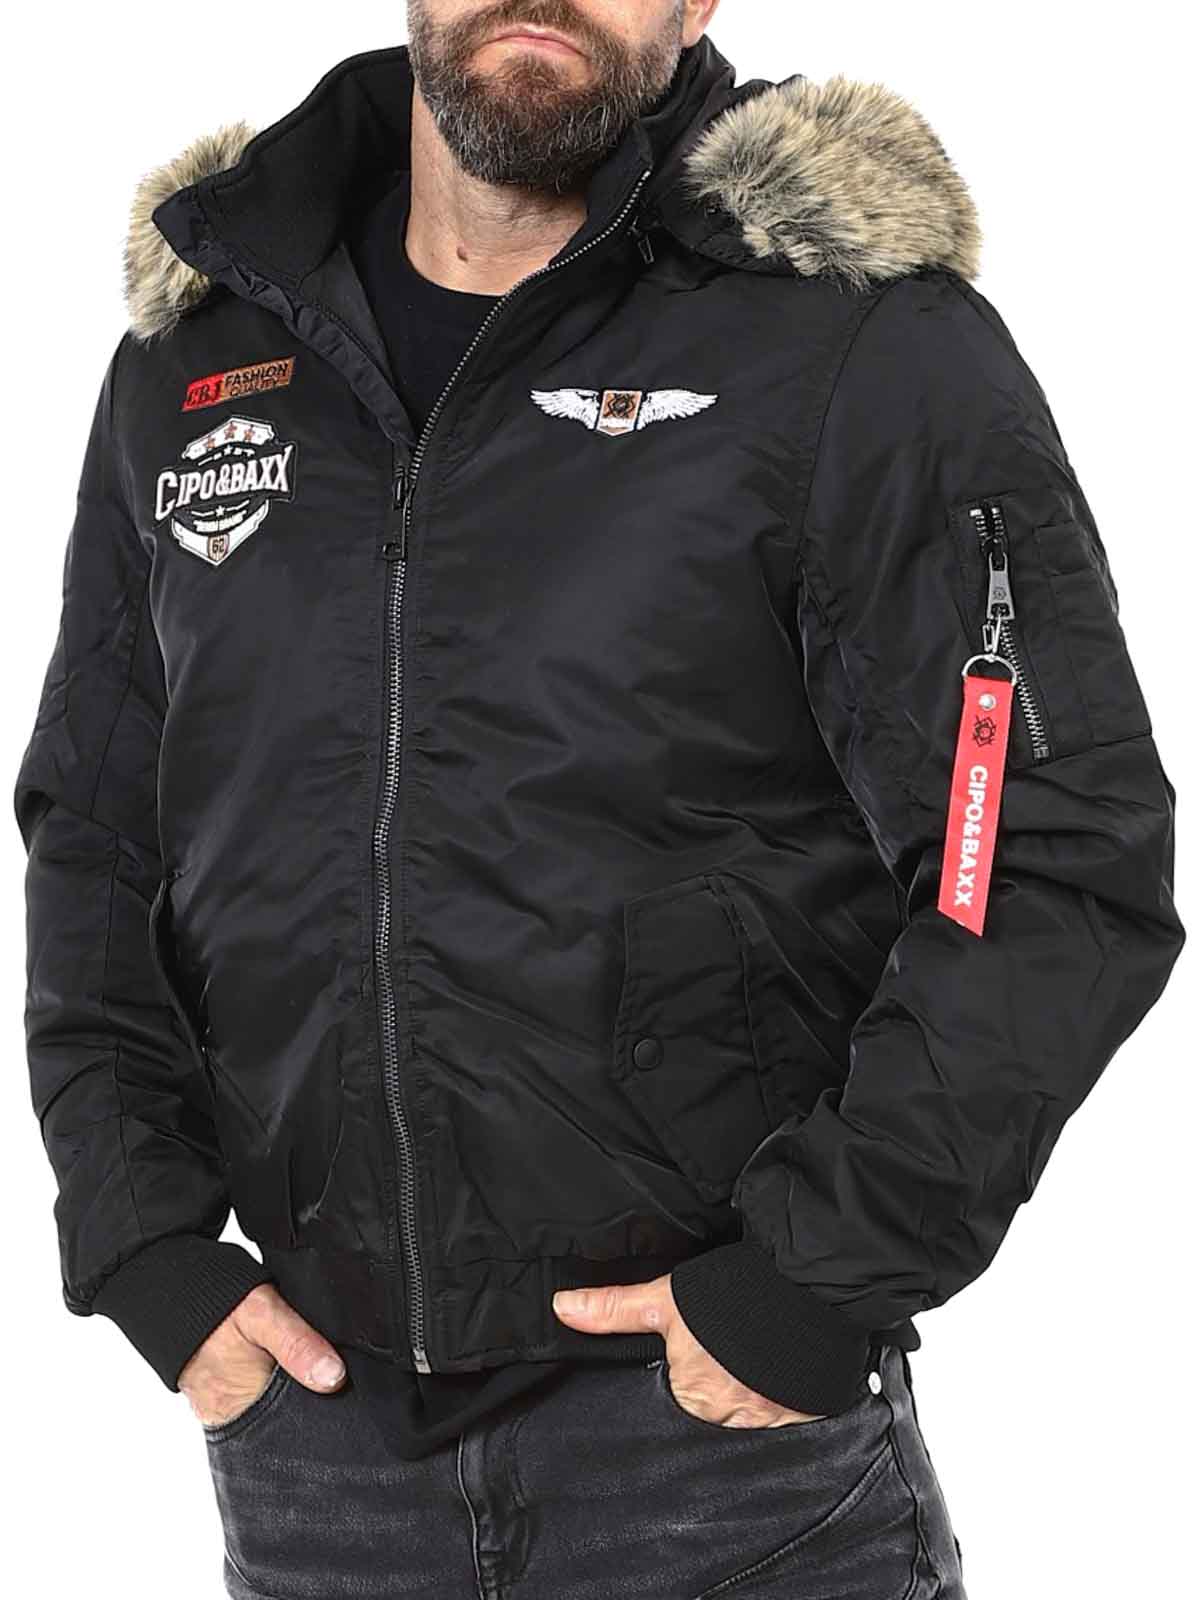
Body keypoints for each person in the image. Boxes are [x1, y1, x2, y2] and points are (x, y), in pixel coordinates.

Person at [13, 0, 1185, 1594]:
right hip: (315, 1461)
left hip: (721, 1464)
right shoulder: (204, 354)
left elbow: (1044, 849)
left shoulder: (848, 340)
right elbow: (97, 835)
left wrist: (811, 1282)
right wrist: (144, 1240)